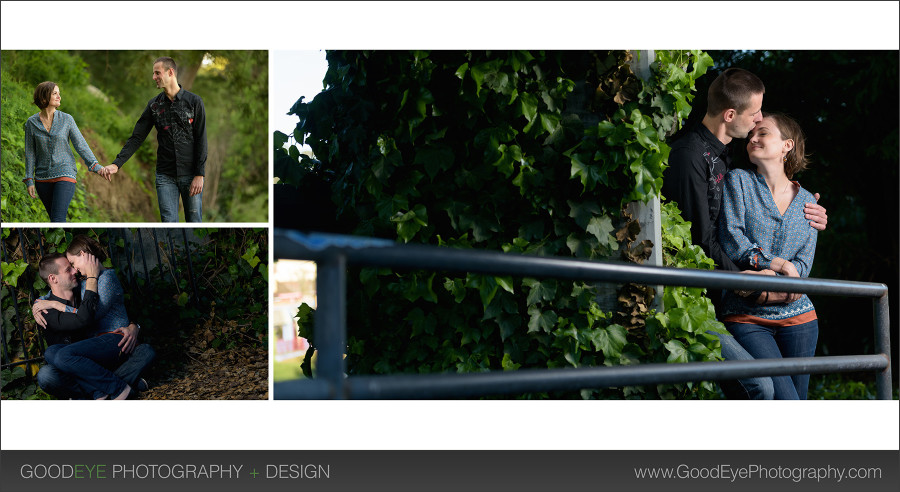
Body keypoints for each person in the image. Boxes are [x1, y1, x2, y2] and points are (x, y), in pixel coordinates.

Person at [661, 68, 827, 399]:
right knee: (769, 393)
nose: (758, 122)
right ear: (731, 115)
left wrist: (810, 207)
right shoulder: (691, 157)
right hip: (718, 303)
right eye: (754, 115)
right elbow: (705, 243)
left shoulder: (729, 152)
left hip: (793, 314)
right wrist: (758, 284)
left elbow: (772, 180)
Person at [718, 113, 819, 400]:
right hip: (746, 315)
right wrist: (778, 265)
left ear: (787, 145)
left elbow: (803, 265)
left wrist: (778, 283)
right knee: (783, 399)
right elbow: (732, 238)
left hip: (801, 320)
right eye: (752, 135)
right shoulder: (738, 181)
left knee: (796, 404)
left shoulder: (809, 202)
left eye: (763, 133)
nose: (753, 138)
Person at [33, 236, 153, 399]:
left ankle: (111, 389)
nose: (75, 270)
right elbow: (56, 290)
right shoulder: (82, 285)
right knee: (51, 355)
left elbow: (87, 317)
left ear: (83, 255)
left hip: (112, 342)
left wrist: (134, 326)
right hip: (90, 353)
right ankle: (110, 387)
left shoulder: (101, 280)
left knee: (146, 351)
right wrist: (40, 302)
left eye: (73, 264)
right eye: (70, 268)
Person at [102, 56, 207, 222]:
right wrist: (117, 164)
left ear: (170, 72)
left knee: (194, 222)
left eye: (157, 73)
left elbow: (201, 139)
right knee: (168, 223)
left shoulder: (194, 102)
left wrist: (200, 174)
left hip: (191, 174)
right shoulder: (154, 106)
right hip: (165, 176)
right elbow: (137, 137)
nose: (154, 77)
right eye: (153, 73)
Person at [23, 81, 111, 222]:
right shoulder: (31, 123)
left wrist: (95, 165)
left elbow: (80, 145)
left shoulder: (67, 119)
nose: (59, 97)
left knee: (57, 219)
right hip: (42, 178)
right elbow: (30, 153)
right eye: (55, 93)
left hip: (65, 173)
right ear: (44, 98)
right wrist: (29, 179)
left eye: (59, 93)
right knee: (55, 221)